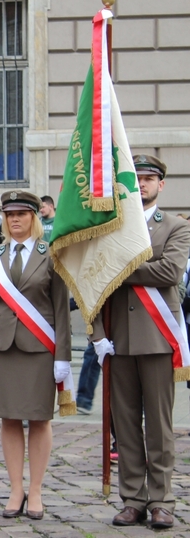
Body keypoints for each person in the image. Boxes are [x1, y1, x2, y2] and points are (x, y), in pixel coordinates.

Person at [91, 155, 190, 529]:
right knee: (126, 424)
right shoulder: (109, 227)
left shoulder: (176, 227)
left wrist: (121, 266)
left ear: (160, 185)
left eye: (149, 179)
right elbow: (96, 283)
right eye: (137, 179)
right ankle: (133, 497)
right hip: (118, 340)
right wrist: (98, 335)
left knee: (160, 426)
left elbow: (169, 271)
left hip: (157, 338)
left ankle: (162, 499)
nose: (143, 185)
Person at [0, 191, 71, 521]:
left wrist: (63, 357)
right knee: (9, 418)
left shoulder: (51, 254)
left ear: (35, 217)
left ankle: (37, 491)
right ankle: (16, 488)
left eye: (22, 214)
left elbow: (60, 309)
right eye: (9, 214)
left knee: (40, 418)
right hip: (1, 348)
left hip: (39, 347)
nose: (15, 220)